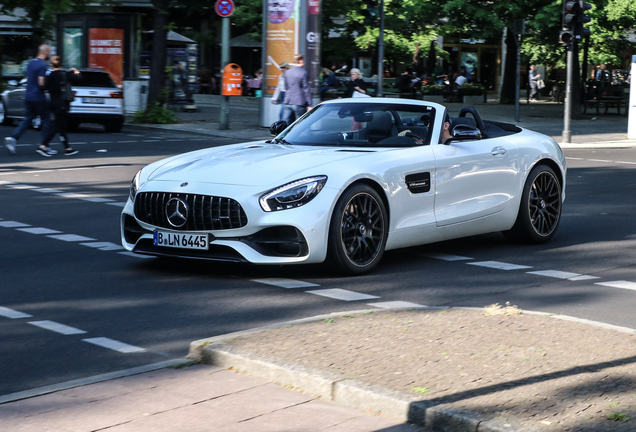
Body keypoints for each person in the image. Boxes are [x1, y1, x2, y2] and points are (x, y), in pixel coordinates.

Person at [4, 44, 52, 155]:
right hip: (38, 96)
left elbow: (28, 78)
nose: (49, 53)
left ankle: (13, 138)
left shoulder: (30, 63)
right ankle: (44, 146)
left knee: (27, 119)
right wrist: (48, 85)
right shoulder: (42, 65)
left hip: (28, 95)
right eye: (48, 51)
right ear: (45, 52)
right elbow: (41, 82)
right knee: (46, 120)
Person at [38, 56, 80, 156]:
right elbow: (79, 78)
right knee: (58, 125)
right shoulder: (65, 74)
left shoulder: (50, 75)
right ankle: (43, 145)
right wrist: (75, 71)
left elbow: (44, 87)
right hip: (62, 103)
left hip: (53, 102)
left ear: (52, 65)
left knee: (61, 126)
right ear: (61, 64)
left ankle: (68, 148)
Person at [282, 54, 312, 124]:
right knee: (300, 123)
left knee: (285, 122)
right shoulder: (303, 73)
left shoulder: (287, 72)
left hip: (288, 101)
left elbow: (286, 87)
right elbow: (306, 89)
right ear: (301, 61)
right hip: (299, 102)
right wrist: (310, 104)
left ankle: (283, 134)